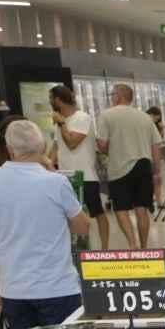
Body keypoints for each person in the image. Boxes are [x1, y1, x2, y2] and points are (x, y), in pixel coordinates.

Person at [0, 121, 89, 329]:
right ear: (42, 146)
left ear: (10, 148)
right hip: (58, 287)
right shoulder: (56, 182)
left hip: (13, 290)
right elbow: (83, 227)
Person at [95, 83, 164, 248]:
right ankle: (144, 246)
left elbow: (102, 144)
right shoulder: (145, 117)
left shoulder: (107, 115)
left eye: (112, 95)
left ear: (118, 96)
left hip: (120, 168)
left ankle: (132, 244)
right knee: (142, 207)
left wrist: (107, 147)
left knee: (121, 208)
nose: (111, 98)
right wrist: (157, 172)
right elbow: (156, 146)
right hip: (143, 165)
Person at [47, 86, 110, 249]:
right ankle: (78, 247)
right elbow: (56, 147)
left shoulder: (82, 118)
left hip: (86, 175)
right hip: (64, 177)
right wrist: (46, 166)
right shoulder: (60, 122)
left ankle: (104, 248)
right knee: (71, 214)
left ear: (59, 100)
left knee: (97, 212)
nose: (49, 102)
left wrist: (62, 124)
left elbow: (72, 143)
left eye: (51, 98)